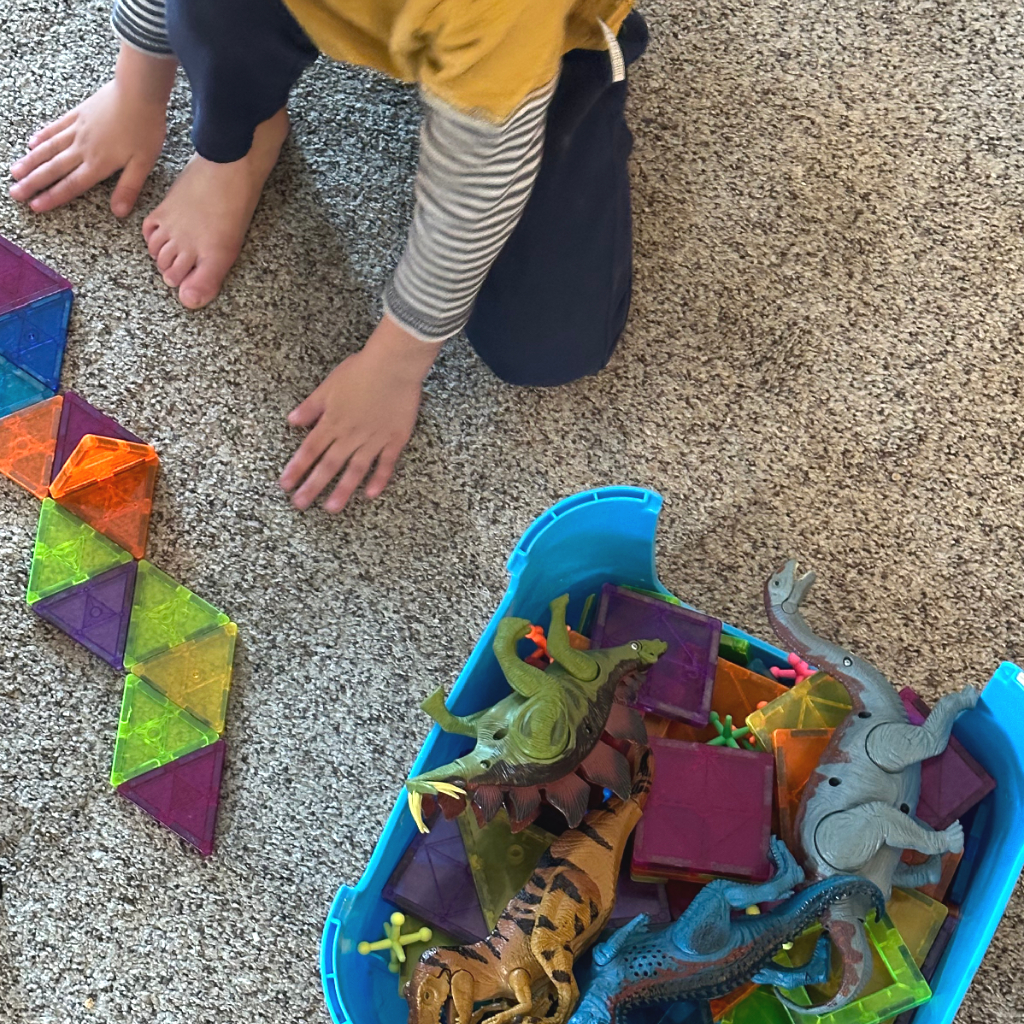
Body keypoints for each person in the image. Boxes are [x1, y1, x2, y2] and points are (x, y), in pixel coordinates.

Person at [9, 0, 648, 512]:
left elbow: (480, 187)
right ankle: (240, 138)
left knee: (546, 343)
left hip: (548, 44)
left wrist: (398, 362)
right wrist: (138, 92)